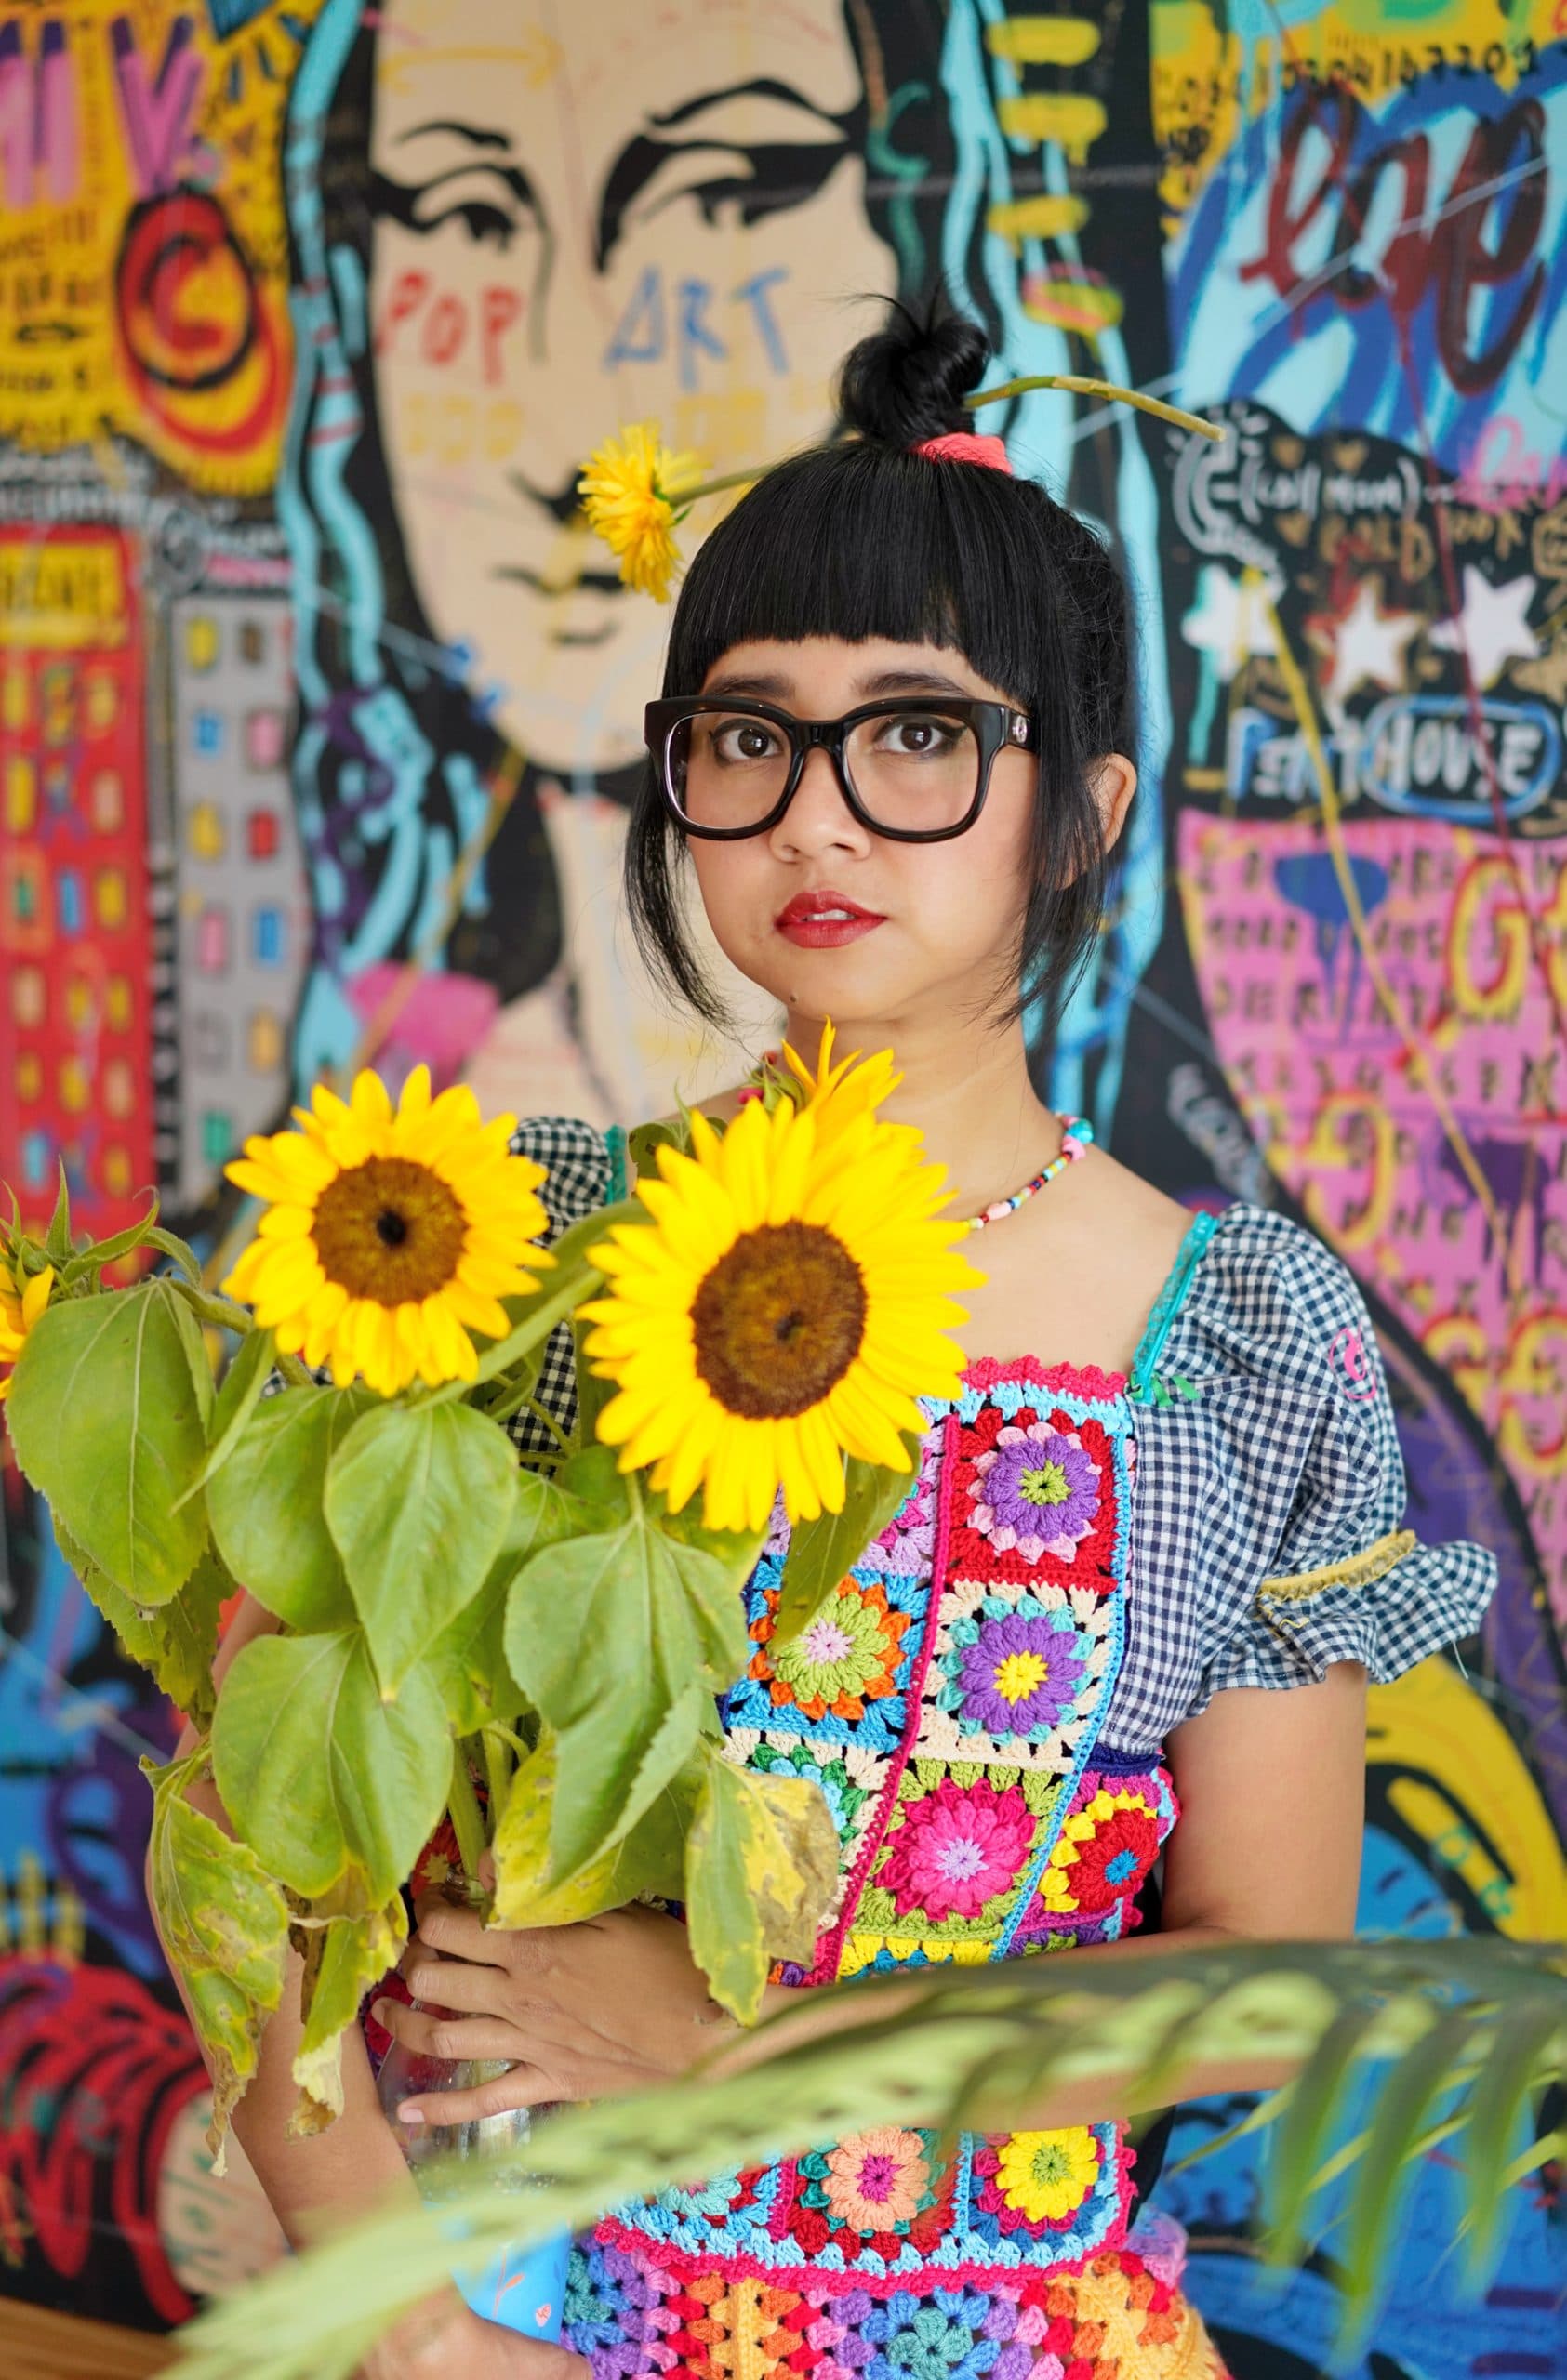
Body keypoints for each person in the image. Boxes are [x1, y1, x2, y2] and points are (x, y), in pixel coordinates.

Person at [163, 310, 1496, 2380]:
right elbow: (269, 1851)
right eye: (747, 737)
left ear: (1083, 806)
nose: (816, 818)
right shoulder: (509, 1259)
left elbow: (1260, 1975)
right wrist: (420, 2339)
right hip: (542, 2325)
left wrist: (743, 2046)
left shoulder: (1235, 1335)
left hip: (1024, 2331)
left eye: (921, 735)